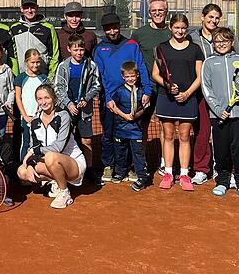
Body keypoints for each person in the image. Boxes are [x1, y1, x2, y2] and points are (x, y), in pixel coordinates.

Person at [188, 3, 239, 186]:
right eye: (210, 17)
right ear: (202, 18)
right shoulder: (192, 38)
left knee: (227, 134)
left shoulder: (226, 36)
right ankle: (201, 169)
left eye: (217, 17)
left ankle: (230, 171)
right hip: (201, 94)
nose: (213, 20)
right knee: (202, 132)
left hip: (225, 95)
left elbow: (238, 63)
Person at [93, 13, 151, 184]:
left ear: (120, 26)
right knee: (109, 134)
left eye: (115, 27)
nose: (112, 31)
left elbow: (141, 67)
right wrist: (109, 97)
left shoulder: (132, 45)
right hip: (109, 100)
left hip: (131, 98)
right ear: (104, 30)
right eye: (108, 28)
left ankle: (130, 166)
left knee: (131, 134)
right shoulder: (99, 49)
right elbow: (100, 75)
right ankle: (109, 165)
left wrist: (147, 90)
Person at [200, 27, 239, 201]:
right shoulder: (209, 63)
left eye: (225, 41)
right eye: (217, 41)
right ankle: (222, 181)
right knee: (221, 150)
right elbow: (206, 89)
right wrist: (217, 110)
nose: (221, 44)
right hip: (219, 116)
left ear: (231, 42)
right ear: (213, 43)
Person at [152, 13, 204, 191]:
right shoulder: (161, 48)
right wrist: (167, 85)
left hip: (187, 99)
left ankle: (183, 174)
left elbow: (200, 76)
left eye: (183, 28)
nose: (180, 31)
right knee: (167, 135)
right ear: (170, 28)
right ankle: (168, 172)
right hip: (166, 97)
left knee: (184, 136)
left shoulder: (195, 49)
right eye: (177, 28)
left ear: (186, 29)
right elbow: (155, 74)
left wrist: (187, 93)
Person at [17, 85, 86, 209]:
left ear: (53, 98)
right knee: (22, 172)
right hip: (51, 162)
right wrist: (31, 165)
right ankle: (55, 181)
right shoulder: (35, 121)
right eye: (39, 99)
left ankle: (65, 193)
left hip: (73, 164)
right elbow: (35, 145)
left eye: (46, 98)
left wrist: (34, 151)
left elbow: (58, 147)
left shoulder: (63, 116)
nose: (43, 102)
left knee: (50, 157)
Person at [130, 0, 171, 177]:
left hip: (165, 88)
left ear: (166, 12)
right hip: (145, 88)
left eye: (160, 10)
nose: (157, 13)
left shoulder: (173, 33)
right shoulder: (139, 34)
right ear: (149, 13)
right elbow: (131, 59)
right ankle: (141, 162)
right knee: (142, 126)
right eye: (154, 11)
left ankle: (165, 162)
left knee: (165, 126)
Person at [53, 34, 101, 183]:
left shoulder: (91, 65)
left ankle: (89, 170)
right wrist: (69, 104)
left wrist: (86, 98)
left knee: (86, 140)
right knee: (65, 139)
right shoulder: (63, 66)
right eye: (75, 49)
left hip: (84, 110)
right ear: (69, 49)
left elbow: (97, 85)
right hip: (67, 109)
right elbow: (58, 88)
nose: (79, 52)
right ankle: (65, 170)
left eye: (81, 49)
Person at [110, 62, 150, 192]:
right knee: (120, 152)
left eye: (132, 76)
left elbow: (144, 108)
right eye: (127, 77)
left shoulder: (142, 92)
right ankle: (120, 172)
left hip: (135, 130)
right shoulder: (119, 92)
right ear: (123, 77)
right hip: (120, 128)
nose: (130, 79)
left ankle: (142, 177)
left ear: (137, 75)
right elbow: (113, 107)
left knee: (138, 154)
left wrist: (136, 115)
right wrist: (125, 116)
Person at [10, 0, 60, 75]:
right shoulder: (14, 28)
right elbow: (13, 56)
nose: (29, 10)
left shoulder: (48, 28)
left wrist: (50, 77)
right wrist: (15, 76)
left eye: (32, 7)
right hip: (21, 77)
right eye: (26, 7)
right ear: (21, 9)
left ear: (37, 8)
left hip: (42, 77)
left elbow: (54, 55)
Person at [14, 49, 48, 160]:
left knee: (39, 143)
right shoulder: (20, 78)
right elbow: (18, 98)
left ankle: (37, 167)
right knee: (26, 143)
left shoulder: (43, 78)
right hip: (26, 118)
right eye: (32, 62)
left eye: (37, 62)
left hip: (40, 117)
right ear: (26, 62)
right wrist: (25, 116)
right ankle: (23, 168)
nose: (35, 65)